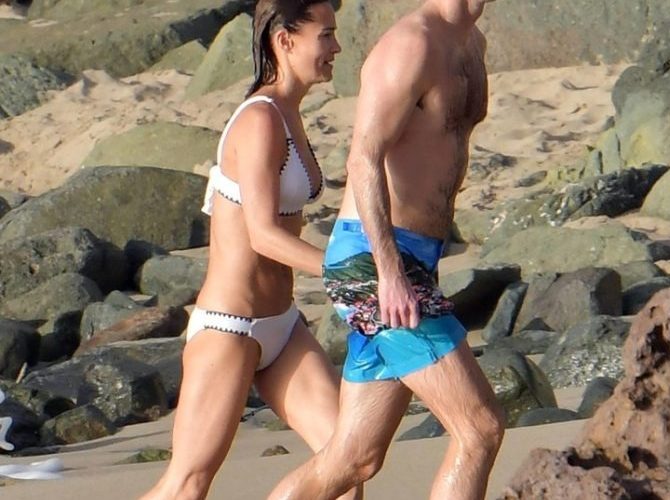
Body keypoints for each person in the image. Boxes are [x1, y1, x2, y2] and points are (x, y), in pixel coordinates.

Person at [268, 1, 506, 499]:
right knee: (479, 427)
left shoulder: (471, 42)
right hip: (374, 260)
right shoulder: (410, 46)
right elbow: (363, 158)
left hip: (414, 257)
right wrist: (390, 272)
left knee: (354, 459)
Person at [140, 2, 361, 499]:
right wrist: (347, 272)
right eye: (325, 35)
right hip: (230, 328)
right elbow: (262, 234)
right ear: (285, 40)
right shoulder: (260, 119)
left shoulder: (289, 113)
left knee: (346, 466)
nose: (336, 47)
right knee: (186, 485)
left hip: (282, 326)